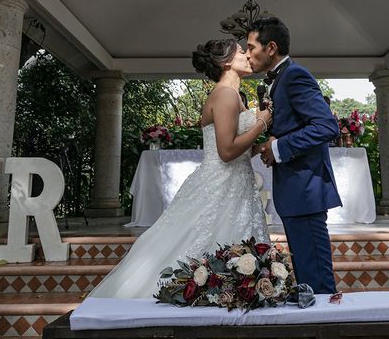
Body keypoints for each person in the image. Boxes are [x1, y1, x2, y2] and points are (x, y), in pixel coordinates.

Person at [88, 39, 272, 299]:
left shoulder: (236, 96)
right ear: (227, 61)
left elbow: (241, 150)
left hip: (237, 184)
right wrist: (261, 124)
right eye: (242, 51)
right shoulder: (224, 94)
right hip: (220, 183)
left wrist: (263, 144)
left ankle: (227, 297)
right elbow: (227, 151)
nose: (248, 55)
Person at [246, 17, 342, 294]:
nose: (249, 53)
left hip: (306, 192)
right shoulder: (280, 78)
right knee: (306, 276)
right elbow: (294, 126)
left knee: (318, 282)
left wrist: (277, 148)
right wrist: (269, 142)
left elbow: (326, 126)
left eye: (252, 47)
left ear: (271, 47)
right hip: (295, 192)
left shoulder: (295, 76)